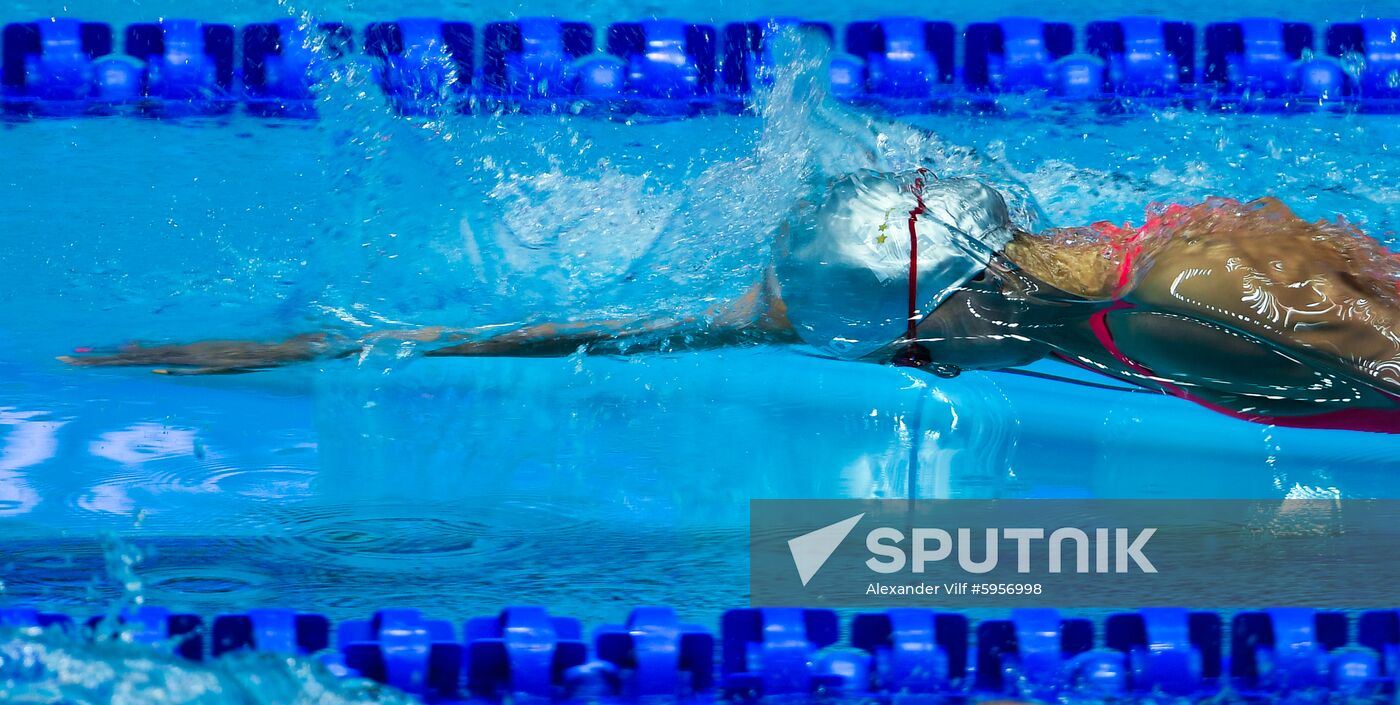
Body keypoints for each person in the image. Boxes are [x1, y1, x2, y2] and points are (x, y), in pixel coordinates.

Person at [59, 169, 1400, 433]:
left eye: (912, 349)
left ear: (962, 306)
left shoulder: (1208, 303)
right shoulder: (989, 277)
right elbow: (658, 323)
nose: (915, 376)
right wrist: (310, 349)